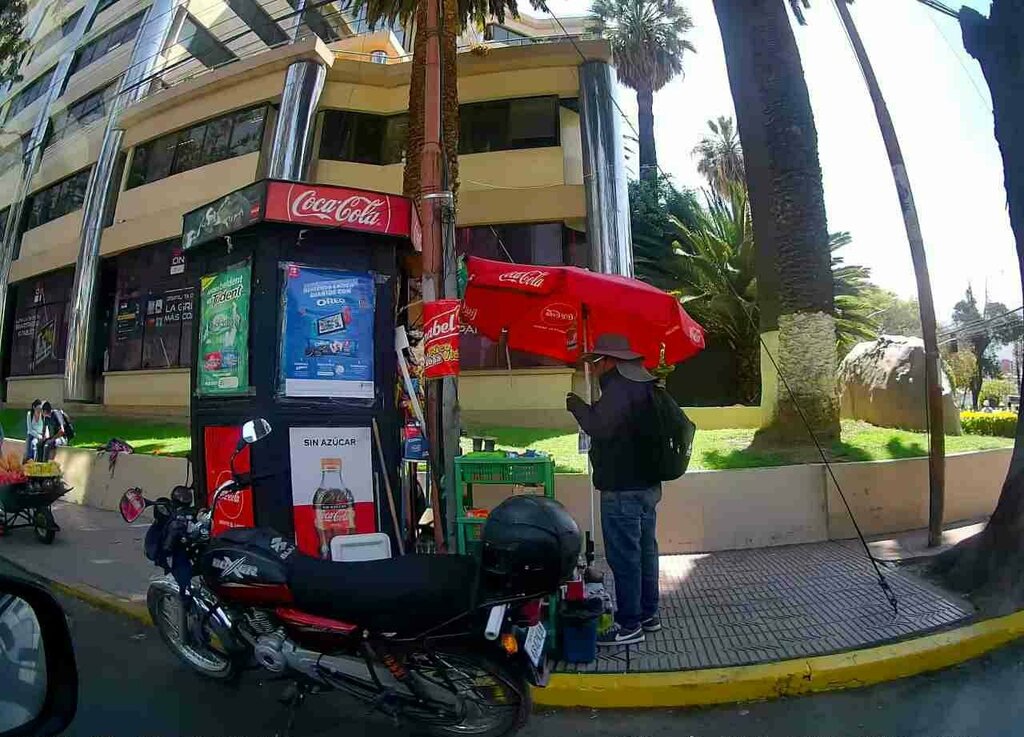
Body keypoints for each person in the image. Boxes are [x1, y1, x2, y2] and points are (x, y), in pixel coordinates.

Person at [566, 333, 662, 646]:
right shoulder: (644, 387)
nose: (598, 367)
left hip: (622, 489)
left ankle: (629, 623)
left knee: (625, 558)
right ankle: (649, 615)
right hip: (647, 486)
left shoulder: (620, 389)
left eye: (600, 361)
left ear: (611, 361)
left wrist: (577, 405)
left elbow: (599, 427)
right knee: (646, 553)